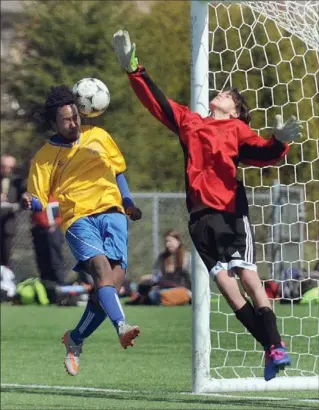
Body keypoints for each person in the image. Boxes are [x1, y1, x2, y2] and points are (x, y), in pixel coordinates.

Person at [111, 30, 303, 381]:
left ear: (236, 112)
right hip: (199, 221)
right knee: (229, 291)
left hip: (230, 213)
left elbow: (263, 154)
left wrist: (280, 143)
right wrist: (133, 68)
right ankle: (273, 346)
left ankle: (275, 344)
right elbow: (159, 103)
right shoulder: (191, 122)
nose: (222, 93)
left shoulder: (236, 131)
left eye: (230, 95)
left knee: (247, 277)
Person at [22, 85, 142, 376]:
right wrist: (31, 201)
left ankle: (75, 339)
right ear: (55, 122)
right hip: (78, 218)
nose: (74, 122)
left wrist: (128, 202)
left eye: (76, 116)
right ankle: (122, 326)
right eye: (66, 119)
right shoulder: (45, 156)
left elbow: (117, 171)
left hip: (113, 214)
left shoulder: (99, 136)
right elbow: (39, 196)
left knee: (111, 285)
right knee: (101, 271)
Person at [127, 229, 192, 306]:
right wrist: (150, 278)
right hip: (163, 289)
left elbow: (191, 278)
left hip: (181, 290)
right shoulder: (162, 257)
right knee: (146, 287)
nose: (168, 244)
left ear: (178, 241)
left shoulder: (187, 257)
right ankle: (158, 299)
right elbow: (157, 276)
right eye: (166, 242)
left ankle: (165, 299)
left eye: (170, 241)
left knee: (157, 295)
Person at [0, 154, 25, 267]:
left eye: (10, 167)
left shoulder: (18, 181)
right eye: (3, 166)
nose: (6, 169)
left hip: (8, 223)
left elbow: (23, 200)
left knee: (6, 253)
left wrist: (16, 206)